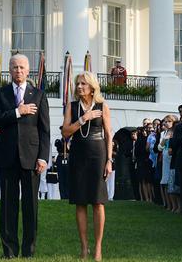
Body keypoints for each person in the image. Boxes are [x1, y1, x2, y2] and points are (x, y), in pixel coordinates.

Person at [0, 54, 50, 259]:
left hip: (32, 158)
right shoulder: (0, 94)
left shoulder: (39, 95)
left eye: (22, 67)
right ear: (9, 70)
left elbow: (44, 130)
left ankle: (29, 251)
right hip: (7, 157)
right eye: (14, 67)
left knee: (31, 207)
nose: (18, 71)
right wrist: (17, 111)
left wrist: (43, 157)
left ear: (28, 70)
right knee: (8, 207)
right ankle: (10, 251)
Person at [60, 72, 112, 262]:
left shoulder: (102, 106)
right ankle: (84, 248)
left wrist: (109, 160)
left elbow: (108, 134)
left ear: (92, 86)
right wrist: (84, 118)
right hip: (78, 154)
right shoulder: (72, 107)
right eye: (78, 83)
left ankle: (98, 249)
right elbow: (65, 131)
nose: (80, 86)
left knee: (98, 202)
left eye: (83, 83)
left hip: (98, 154)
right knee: (80, 202)